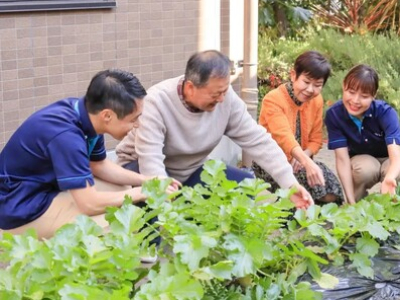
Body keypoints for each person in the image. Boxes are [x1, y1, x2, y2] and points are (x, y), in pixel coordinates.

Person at [116, 50, 314, 209]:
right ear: (190, 87)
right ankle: (148, 250)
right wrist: (165, 198)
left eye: (225, 91)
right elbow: (151, 160)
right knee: (152, 192)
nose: (221, 99)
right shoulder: (157, 101)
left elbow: (259, 141)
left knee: (244, 185)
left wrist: (290, 184)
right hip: (139, 169)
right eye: (215, 93)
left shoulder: (226, 100)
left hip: (190, 170)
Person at [0, 69, 179, 239]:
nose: (138, 125)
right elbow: (89, 203)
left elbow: (98, 165)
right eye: (133, 119)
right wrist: (142, 192)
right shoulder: (66, 136)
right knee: (112, 223)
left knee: (121, 189)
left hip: (42, 191)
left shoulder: (85, 114)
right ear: (107, 115)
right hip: (18, 208)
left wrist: (148, 180)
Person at [252, 51, 344, 205]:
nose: (310, 89)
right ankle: (288, 206)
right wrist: (306, 162)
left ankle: (294, 204)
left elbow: (316, 140)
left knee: (332, 194)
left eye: (317, 85)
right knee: (307, 190)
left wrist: (304, 158)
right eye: (306, 82)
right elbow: (283, 136)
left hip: (301, 162)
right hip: (271, 163)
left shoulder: (316, 101)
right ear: (293, 75)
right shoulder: (273, 99)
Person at [325, 64, 400, 204]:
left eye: (364, 96)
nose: (355, 101)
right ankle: (357, 204)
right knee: (364, 169)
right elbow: (342, 159)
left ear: (374, 95)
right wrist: (350, 201)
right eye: (351, 92)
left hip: (389, 157)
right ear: (343, 86)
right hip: (362, 160)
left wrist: (390, 177)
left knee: (396, 171)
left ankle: (393, 207)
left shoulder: (385, 112)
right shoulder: (334, 115)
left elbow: (396, 157)